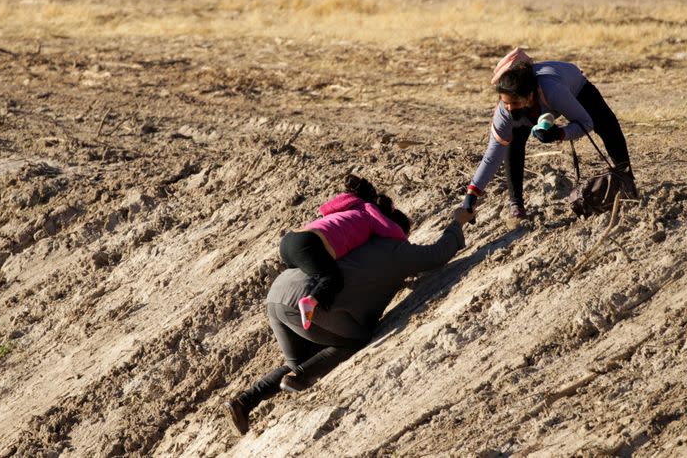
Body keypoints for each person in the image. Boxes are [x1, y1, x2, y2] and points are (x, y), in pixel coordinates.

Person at [223, 207, 475, 435]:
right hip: (307, 298)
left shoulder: (353, 240)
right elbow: (437, 255)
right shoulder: (395, 248)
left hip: (278, 293)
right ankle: (299, 377)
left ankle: (244, 402)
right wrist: (457, 223)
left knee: (298, 359)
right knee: (356, 338)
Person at [462, 48, 637, 219]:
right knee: (513, 143)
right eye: (505, 102)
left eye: (514, 102)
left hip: (575, 87)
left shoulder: (553, 90)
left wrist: (559, 133)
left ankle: (627, 182)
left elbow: (586, 123)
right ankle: (516, 205)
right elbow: (492, 156)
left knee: (608, 126)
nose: (508, 108)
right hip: (534, 108)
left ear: (529, 96)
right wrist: (472, 193)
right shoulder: (505, 112)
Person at [280, 174, 408, 330]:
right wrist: (405, 243)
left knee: (306, 276)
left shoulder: (348, 208)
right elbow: (391, 230)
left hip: (289, 241)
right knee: (332, 279)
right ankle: (309, 302)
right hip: (308, 244)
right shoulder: (369, 209)